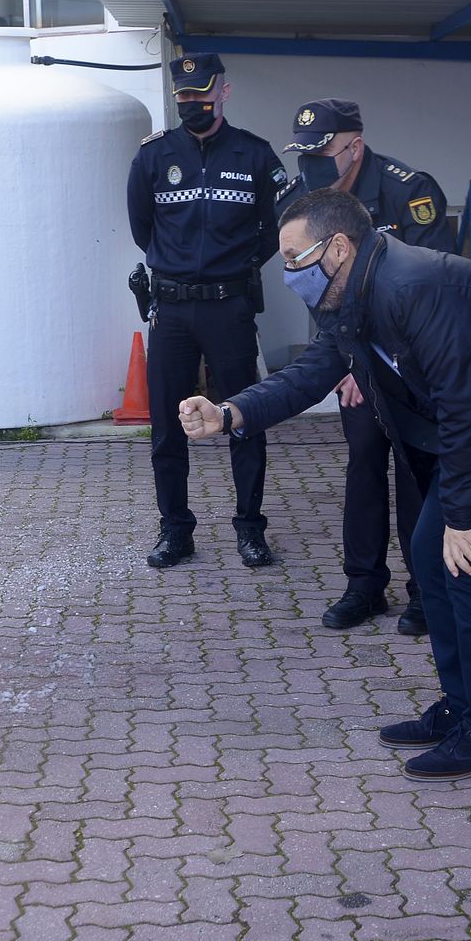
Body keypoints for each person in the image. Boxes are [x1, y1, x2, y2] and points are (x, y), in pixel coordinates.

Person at [181, 189, 471, 781]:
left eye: (291, 257)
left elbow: (466, 406)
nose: (285, 272)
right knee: (430, 557)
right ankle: (461, 708)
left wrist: (461, 518)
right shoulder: (350, 291)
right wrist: (231, 412)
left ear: (336, 248)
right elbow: (314, 371)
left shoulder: (413, 286)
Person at [284, 98, 457, 636]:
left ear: (355, 146)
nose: (312, 166)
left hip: (410, 368)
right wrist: (345, 361)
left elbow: (431, 289)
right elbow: (315, 289)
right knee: (362, 466)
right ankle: (363, 585)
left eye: (324, 152)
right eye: (304, 154)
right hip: (350, 359)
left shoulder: (409, 190)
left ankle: (426, 591)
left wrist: (371, 364)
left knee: (414, 472)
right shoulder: (301, 199)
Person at [125, 52, 296, 570]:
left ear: (224, 91)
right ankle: (175, 531)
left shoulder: (256, 155)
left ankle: (250, 529)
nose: (193, 104)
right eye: (184, 97)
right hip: (172, 312)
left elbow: (276, 230)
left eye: (202, 94)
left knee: (246, 419)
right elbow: (142, 228)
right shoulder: (153, 156)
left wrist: (233, 267)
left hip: (230, 307)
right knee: (165, 428)